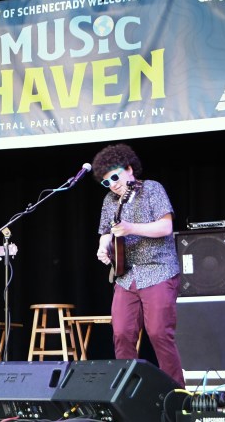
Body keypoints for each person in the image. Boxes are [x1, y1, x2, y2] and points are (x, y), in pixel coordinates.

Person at [93, 144, 185, 387]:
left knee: (159, 333)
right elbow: (106, 232)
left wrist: (131, 228)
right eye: (106, 182)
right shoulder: (109, 200)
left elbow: (165, 227)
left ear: (129, 169)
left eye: (115, 177)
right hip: (126, 275)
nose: (112, 184)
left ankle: (176, 394)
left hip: (158, 269)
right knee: (121, 333)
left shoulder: (152, 189)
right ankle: (129, 391)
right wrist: (103, 248)